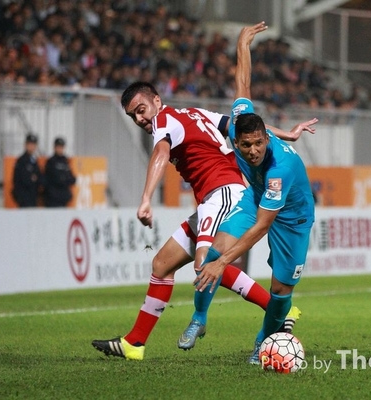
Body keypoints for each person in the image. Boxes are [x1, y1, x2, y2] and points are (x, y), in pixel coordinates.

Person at [91, 81, 317, 360]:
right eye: (132, 116)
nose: (140, 119)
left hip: (221, 194)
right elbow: (239, 126)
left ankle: (278, 310)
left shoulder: (164, 120)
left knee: (205, 265)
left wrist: (146, 198)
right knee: (162, 264)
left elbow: (161, 153)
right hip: (214, 198)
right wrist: (287, 134)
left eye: (141, 110)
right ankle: (134, 343)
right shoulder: (192, 113)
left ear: (157, 101)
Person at [191, 22, 316, 365]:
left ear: (266, 138)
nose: (253, 151)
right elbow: (243, 84)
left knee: (280, 291)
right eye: (246, 145)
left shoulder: (280, 169)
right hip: (255, 197)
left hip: (291, 217)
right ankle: (198, 319)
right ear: (238, 138)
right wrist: (243, 43)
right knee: (213, 252)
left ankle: (263, 342)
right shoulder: (239, 123)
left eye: (259, 143)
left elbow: (262, 226)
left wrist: (225, 265)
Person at [12, 133, 43, 207]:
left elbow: (38, 176)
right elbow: (21, 179)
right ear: (25, 145)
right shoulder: (21, 160)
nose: (31, 147)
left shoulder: (34, 160)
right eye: (29, 144)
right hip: (24, 197)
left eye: (33, 144)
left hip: (33, 196)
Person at [44, 137, 76, 207]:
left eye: (61, 147)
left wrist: (65, 179)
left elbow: (71, 178)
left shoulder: (65, 161)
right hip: (53, 199)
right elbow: (52, 179)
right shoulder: (51, 162)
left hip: (64, 198)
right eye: (58, 147)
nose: (60, 149)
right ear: (54, 147)